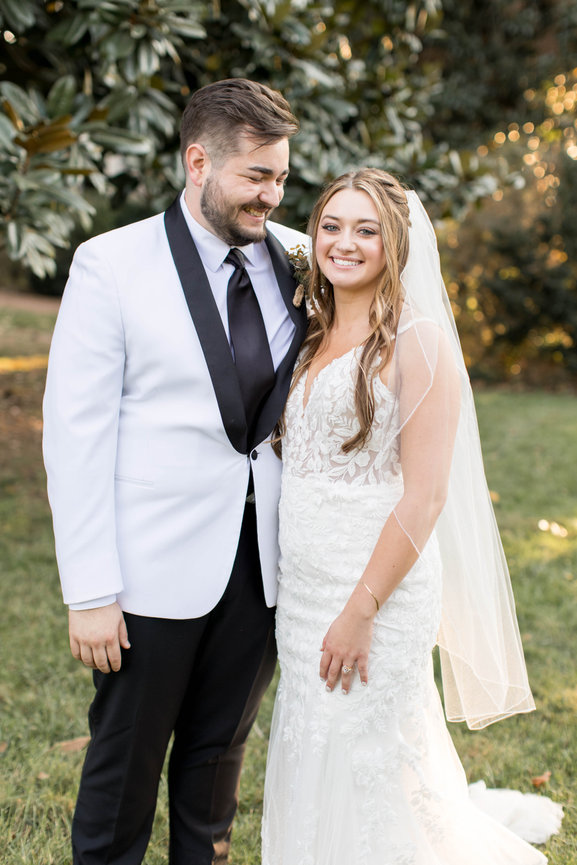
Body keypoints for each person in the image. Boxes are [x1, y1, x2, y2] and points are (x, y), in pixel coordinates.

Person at [262, 168, 563, 864]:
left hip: (376, 589)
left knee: (364, 743)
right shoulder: (310, 330)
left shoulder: (418, 342)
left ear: (395, 243)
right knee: (313, 737)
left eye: (365, 229)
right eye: (331, 225)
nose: (344, 242)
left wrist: (362, 606)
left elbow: (424, 496)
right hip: (305, 586)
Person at [42, 78, 308, 865]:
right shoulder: (110, 264)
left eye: (281, 176)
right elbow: (75, 433)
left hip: (261, 564)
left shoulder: (298, 256)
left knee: (214, 771)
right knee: (123, 774)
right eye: (255, 176)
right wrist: (89, 590)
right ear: (198, 162)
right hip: (148, 571)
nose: (272, 194)